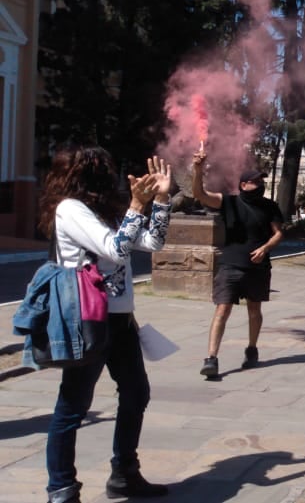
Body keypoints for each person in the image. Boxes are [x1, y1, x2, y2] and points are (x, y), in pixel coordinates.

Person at [38, 147, 172, 502]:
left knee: (135, 393)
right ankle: (62, 489)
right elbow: (114, 250)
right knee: (73, 406)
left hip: (121, 321)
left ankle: (124, 473)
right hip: (87, 320)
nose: (109, 177)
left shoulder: (107, 212)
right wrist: (136, 207)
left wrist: (160, 199)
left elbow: (153, 242)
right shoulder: (71, 209)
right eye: (101, 171)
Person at [192, 148, 284, 379]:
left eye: (261, 181)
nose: (260, 185)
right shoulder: (228, 202)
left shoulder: (269, 206)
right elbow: (200, 194)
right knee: (222, 309)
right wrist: (198, 169)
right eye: (255, 182)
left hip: (258, 268)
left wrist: (265, 248)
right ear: (243, 185)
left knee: (255, 310)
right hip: (230, 266)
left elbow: (278, 234)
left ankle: (251, 349)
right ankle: (211, 358)